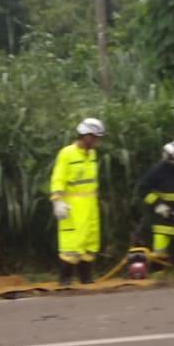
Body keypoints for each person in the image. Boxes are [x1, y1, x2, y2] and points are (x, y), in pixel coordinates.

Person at [50, 118, 105, 286]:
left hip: (90, 204)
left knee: (90, 240)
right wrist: (57, 201)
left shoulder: (92, 154)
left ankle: (85, 277)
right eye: (95, 137)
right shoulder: (67, 153)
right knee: (72, 242)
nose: (97, 141)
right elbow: (58, 177)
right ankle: (65, 278)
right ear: (85, 135)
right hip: (72, 205)